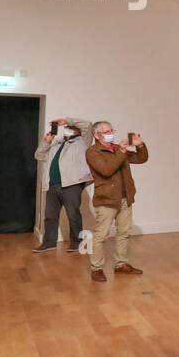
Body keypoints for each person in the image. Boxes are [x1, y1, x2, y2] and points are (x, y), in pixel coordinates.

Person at [85, 120, 148, 282]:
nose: (110, 133)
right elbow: (106, 170)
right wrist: (121, 151)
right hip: (106, 199)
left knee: (124, 233)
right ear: (97, 135)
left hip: (125, 198)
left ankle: (121, 264)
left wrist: (140, 145)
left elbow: (142, 159)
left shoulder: (117, 150)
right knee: (101, 235)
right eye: (106, 131)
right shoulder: (92, 152)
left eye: (111, 129)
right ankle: (96, 268)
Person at [31, 117, 92, 253]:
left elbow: (88, 125)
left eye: (70, 127)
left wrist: (67, 120)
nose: (67, 129)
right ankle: (49, 243)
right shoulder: (57, 143)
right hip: (52, 185)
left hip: (71, 184)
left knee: (73, 214)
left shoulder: (82, 142)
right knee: (49, 216)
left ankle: (77, 243)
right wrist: (46, 142)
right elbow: (39, 155)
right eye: (66, 128)